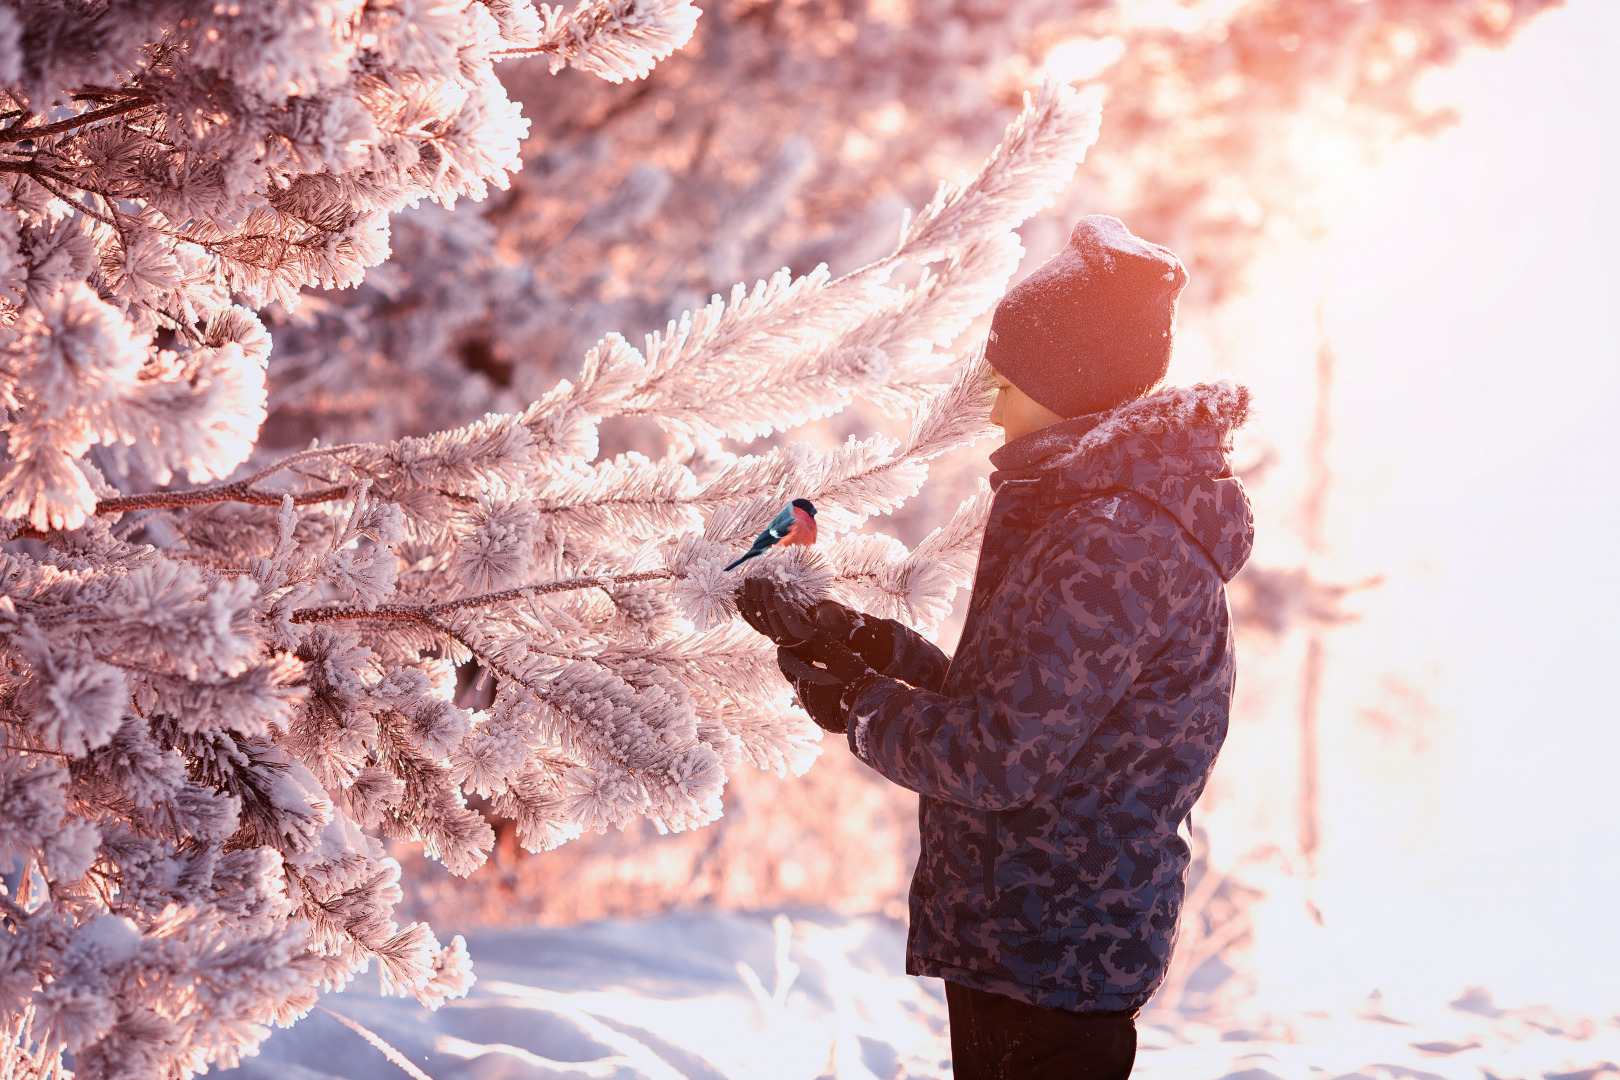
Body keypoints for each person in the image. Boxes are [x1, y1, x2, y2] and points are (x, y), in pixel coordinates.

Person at [737, 215, 1255, 1080]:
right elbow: (1031, 715)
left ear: (1068, 386)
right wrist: (879, 653)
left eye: (1009, 377)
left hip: (1055, 947)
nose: (987, 398)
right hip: (1033, 933)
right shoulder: (1096, 516)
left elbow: (998, 760)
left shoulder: (1115, 540)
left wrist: (857, 709)